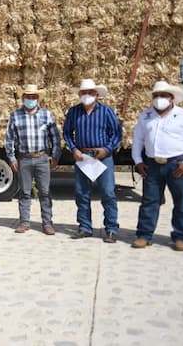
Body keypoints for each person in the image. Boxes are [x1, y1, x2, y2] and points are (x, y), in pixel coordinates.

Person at [131, 81, 183, 251]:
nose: (159, 99)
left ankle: (181, 236)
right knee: (149, 201)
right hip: (152, 165)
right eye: (156, 96)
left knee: (181, 201)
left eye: (163, 96)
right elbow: (138, 141)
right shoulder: (146, 116)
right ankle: (144, 235)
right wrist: (138, 161)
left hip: (177, 164)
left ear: (172, 98)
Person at [62, 79, 122, 243]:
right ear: (80, 94)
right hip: (83, 156)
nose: (87, 95)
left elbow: (116, 134)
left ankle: (111, 229)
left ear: (96, 94)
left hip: (103, 156)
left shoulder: (106, 111)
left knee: (108, 193)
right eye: (84, 92)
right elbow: (67, 133)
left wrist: (107, 150)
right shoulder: (74, 112)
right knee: (81, 193)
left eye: (90, 92)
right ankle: (85, 227)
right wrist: (74, 149)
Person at [5, 84, 62, 235]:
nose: (30, 99)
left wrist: (55, 156)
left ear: (38, 98)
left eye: (33, 97)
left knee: (44, 191)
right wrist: (11, 158)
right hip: (24, 158)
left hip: (42, 157)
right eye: (28, 97)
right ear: (23, 98)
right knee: (24, 191)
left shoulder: (46, 115)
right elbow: (9, 138)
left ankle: (47, 223)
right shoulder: (15, 115)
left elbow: (55, 137)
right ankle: (24, 222)